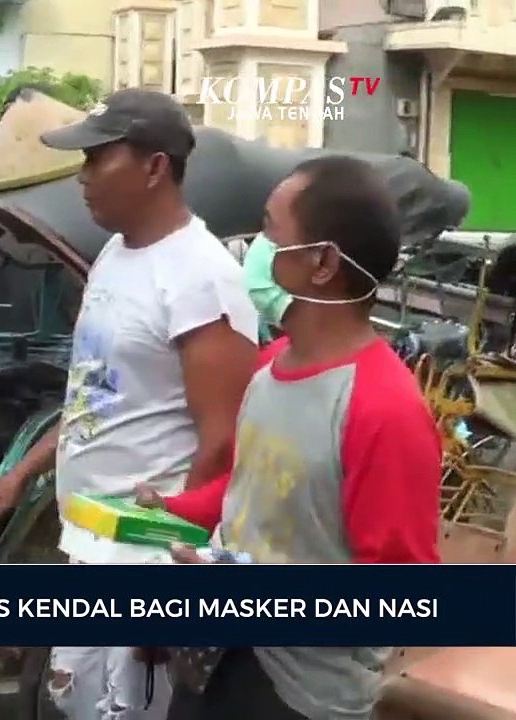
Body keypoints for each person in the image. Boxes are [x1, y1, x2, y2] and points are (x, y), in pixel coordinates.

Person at [0, 88, 259, 720]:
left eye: (98, 159)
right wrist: (20, 473)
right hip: (91, 543)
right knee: (78, 703)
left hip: (145, 559)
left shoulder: (200, 278)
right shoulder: (114, 255)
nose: (82, 176)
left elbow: (222, 443)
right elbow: (94, 397)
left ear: (155, 166)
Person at [133, 156, 441, 720]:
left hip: (300, 696)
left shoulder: (383, 408)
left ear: (322, 262)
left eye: (270, 230)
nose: (254, 246)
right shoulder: (269, 367)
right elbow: (250, 487)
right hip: (217, 659)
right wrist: (169, 510)